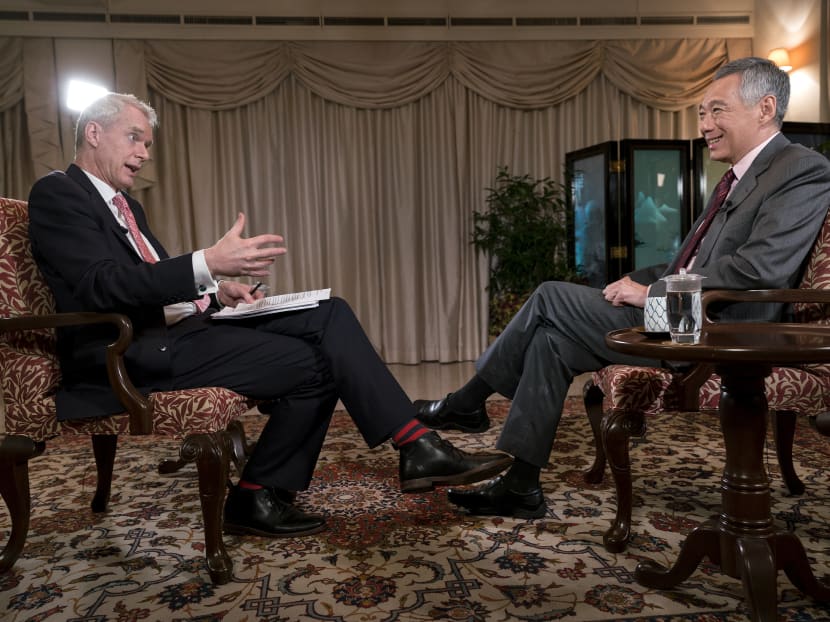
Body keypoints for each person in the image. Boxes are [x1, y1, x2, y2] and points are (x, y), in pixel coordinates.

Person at [27, 92, 512, 538]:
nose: (145, 153)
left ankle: (413, 446)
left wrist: (216, 294)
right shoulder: (58, 193)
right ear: (94, 133)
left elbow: (148, 284)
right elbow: (101, 285)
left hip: (177, 330)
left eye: (148, 143)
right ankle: (267, 491)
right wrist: (206, 262)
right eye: (135, 138)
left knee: (330, 312)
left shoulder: (127, 205)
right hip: (127, 353)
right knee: (318, 365)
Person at [415, 56, 830, 518]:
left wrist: (651, 294)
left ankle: (466, 403)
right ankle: (520, 486)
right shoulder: (737, 176)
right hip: (688, 316)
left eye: (717, 110)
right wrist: (638, 280)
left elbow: (759, 269)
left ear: (765, 108)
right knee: (551, 341)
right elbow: (690, 263)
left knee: (550, 295)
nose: (705, 125)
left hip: (722, 329)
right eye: (701, 113)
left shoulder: (800, 168)